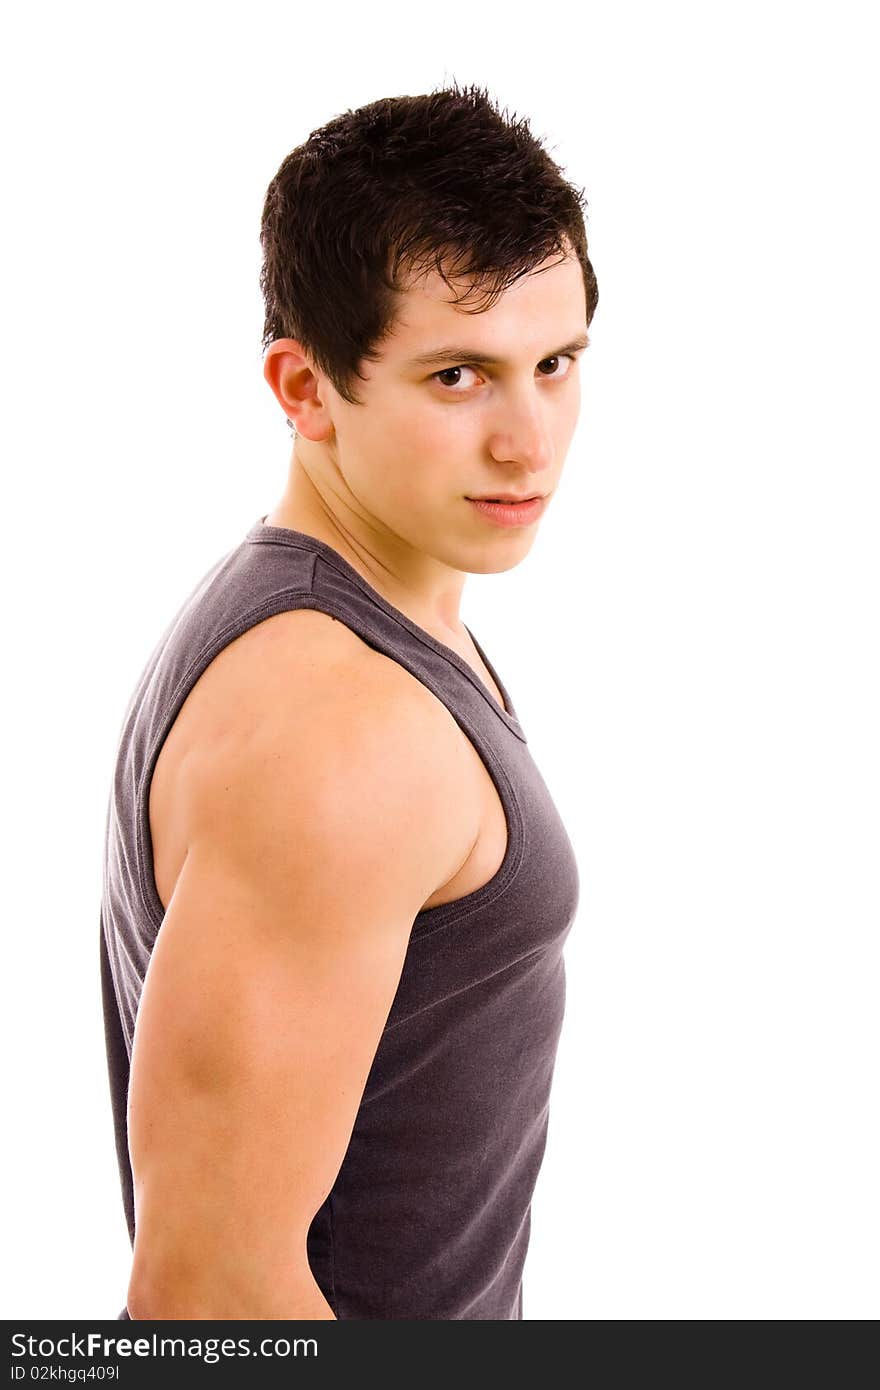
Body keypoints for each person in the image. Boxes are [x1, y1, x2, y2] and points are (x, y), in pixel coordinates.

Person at [99, 80, 599, 1321]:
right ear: (305, 386)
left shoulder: (361, 623)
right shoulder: (340, 727)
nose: (529, 441)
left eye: (555, 362)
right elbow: (206, 1298)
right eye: (457, 378)